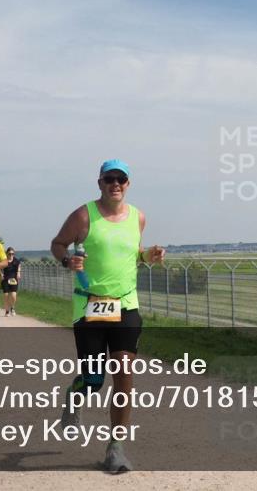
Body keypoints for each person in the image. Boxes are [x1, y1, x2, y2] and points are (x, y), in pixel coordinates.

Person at [49, 159, 165, 473]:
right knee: (94, 380)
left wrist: (146, 256)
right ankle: (76, 393)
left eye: (121, 179)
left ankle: (116, 448)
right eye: (109, 179)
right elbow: (58, 244)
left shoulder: (138, 218)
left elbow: (132, 254)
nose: (115, 184)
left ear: (128, 184)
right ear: (99, 183)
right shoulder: (83, 215)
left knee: (124, 378)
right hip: (89, 306)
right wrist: (67, 260)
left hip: (126, 305)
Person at [2, 247, 21, 316]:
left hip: (13, 279)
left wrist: (18, 273)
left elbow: (19, 267)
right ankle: (7, 310)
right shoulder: (4, 261)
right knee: (6, 295)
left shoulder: (16, 261)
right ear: (7, 254)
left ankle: (12, 308)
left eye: (13, 254)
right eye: (9, 254)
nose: (11, 255)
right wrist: (1, 274)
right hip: (5, 279)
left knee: (13, 295)